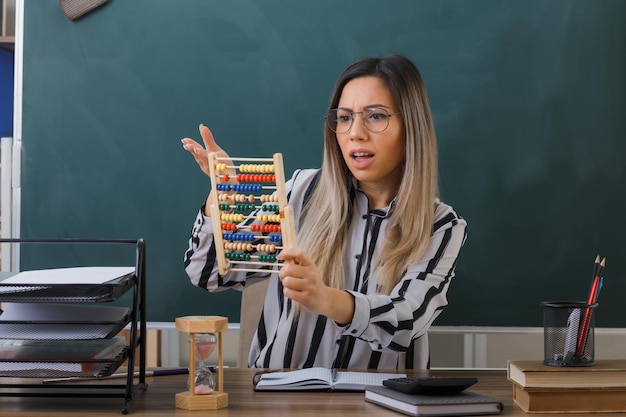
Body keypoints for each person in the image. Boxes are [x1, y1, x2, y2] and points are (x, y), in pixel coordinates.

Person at [181, 54, 467, 370]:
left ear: (410, 126)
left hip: (381, 403)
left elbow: (407, 322)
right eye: (344, 118)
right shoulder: (300, 194)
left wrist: (325, 298)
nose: (355, 133)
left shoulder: (440, 226)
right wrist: (220, 198)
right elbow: (206, 274)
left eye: (375, 116)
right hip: (280, 400)